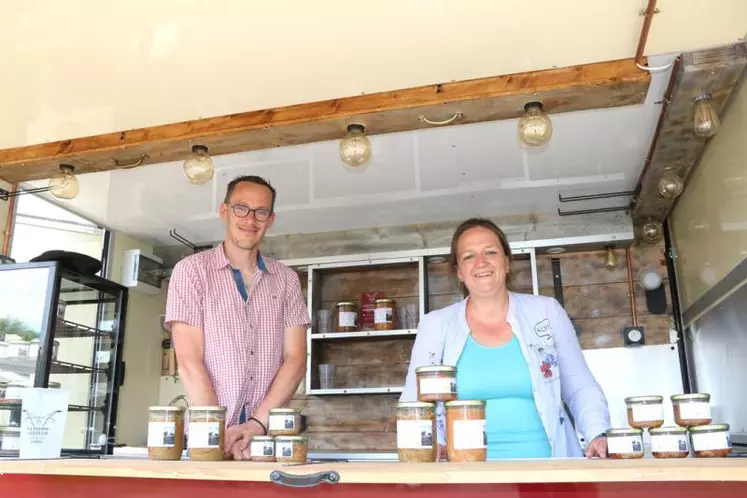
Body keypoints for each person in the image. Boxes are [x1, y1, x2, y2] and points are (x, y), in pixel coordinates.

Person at [400, 218, 610, 460]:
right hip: (465, 477)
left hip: (548, 470)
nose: (481, 262)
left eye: (490, 252)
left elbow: (580, 385)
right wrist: (419, 453)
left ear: (507, 262)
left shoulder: (545, 313)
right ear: (458, 271)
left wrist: (597, 432)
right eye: (468, 256)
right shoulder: (435, 325)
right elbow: (413, 404)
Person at [165, 175, 309, 460]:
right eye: (241, 208)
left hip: (267, 441)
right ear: (224, 211)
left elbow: (296, 359)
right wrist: (218, 433)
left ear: (270, 219)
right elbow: (189, 361)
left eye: (261, 212)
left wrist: (257, 424)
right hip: (210, 440)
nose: (250, 219)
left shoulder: (288, 280)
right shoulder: (191, 271)